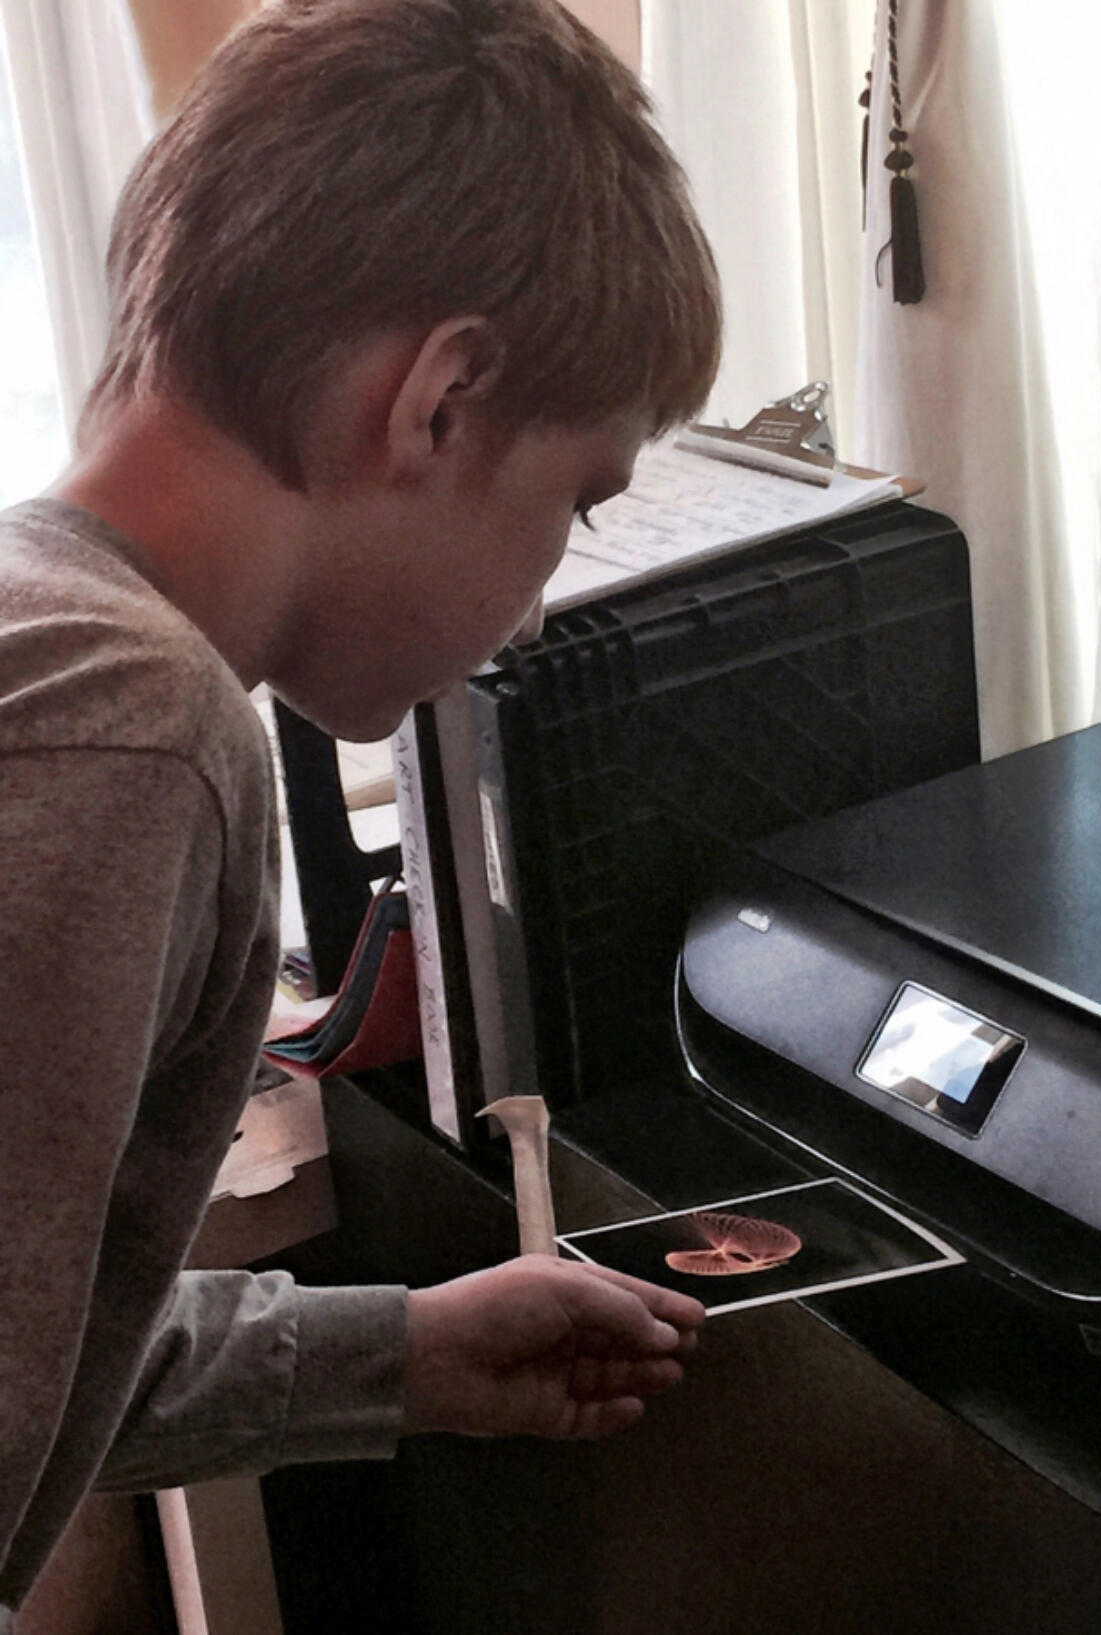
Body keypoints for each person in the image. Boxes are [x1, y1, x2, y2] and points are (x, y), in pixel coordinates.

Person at [0, 0, 721, 1618]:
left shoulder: (46, 632)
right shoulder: (129, 727)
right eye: (573, 503)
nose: (535, 605)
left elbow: (31, 1344)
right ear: (444, 398)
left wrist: (400, 1357)